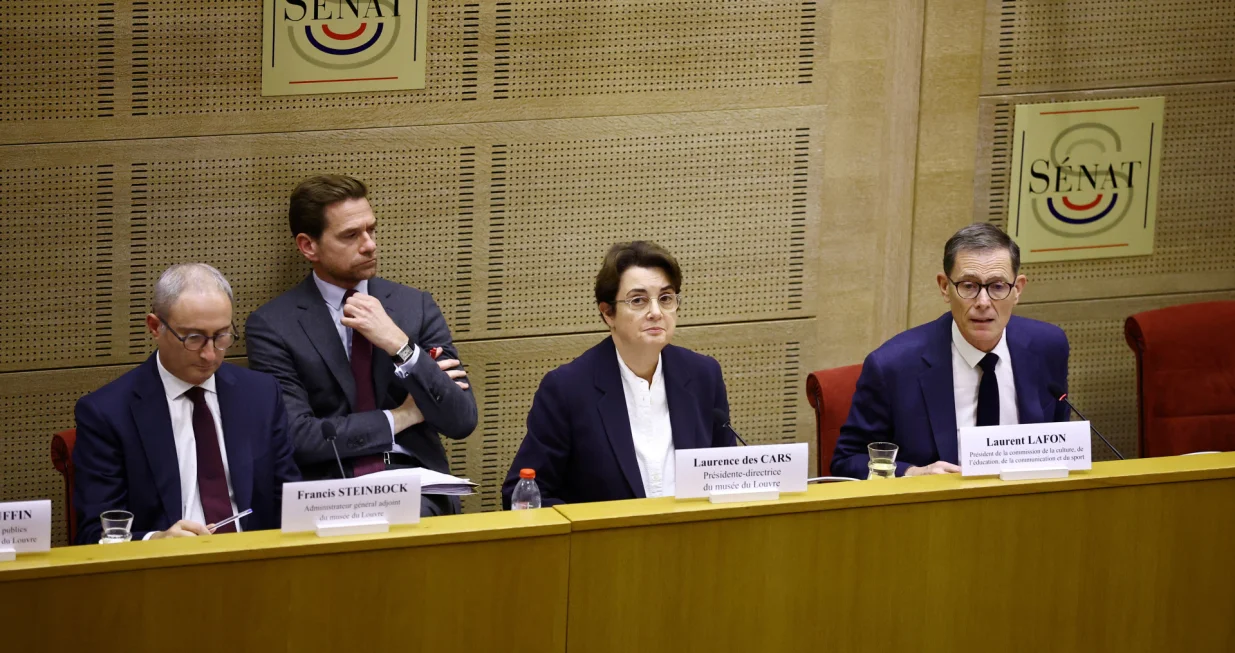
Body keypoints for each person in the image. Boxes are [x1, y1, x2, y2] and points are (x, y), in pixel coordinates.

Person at [246, 174, 476, 517]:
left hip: (414, 484)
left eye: (371, 229)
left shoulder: (415, 308)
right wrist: (403, 415)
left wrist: (400, 345)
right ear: (309, 246)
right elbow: (298, 437)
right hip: (326, 490)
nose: (369, 244)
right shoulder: (273, 326)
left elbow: (461, 419)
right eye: (351, 235)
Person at [72, 264, 300, 544]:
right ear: (155, 327)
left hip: (255, 563)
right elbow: (96, 532)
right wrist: (157, 540)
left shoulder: (261, 394)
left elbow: (289, 500)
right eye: (194, 338)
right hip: (163, 572)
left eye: (221, 336)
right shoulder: (106, 413)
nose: (209, 354)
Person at [501, 241, 734, 508]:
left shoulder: (703, 375)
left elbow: (725, 478)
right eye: (638, 301)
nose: (656, 313)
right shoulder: (567, 389)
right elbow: (522, 495)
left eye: (666, 298)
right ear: (608, 312)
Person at [831, 223, 1070, 478]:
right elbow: (847, 461)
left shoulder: (1048, 346)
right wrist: (912, 474)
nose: (983, 302)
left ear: (1017, 289)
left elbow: (1056, 444)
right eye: (968, 285)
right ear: (945, 287)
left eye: (998, 286)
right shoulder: (893, 366)